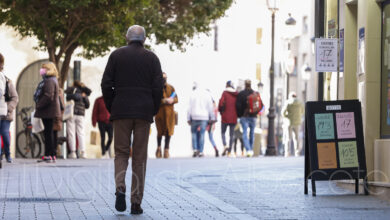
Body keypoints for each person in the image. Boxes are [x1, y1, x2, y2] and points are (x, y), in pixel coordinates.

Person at [101, 25, 163, 215]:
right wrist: (152, 108)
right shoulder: (151, 58)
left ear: (127, 37)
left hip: (121, 110)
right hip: (144, 111)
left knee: (121, 153)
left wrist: (113, 104)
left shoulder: (116, 55)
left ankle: (120, 187)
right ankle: (136, 202)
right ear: (143, 39)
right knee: (139, 157)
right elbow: (158, 87)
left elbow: (106, 83)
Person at [34, 62, 61, 163]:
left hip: (49, 110)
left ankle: (48, 155)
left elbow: (48, 96)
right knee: (51, 132)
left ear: (49, 69)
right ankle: (52, 154)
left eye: (44, 68)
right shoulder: (53, 80)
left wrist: (39, 105)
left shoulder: (49, 81)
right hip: (51, 110)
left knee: (48, 133)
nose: (42, 70)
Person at [187, 82, 216, 157]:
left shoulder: (192, 94)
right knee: (202, 134)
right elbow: (210, 107)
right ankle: (201, 151)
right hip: (204, 117)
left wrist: (188, 118)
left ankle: (195, 150)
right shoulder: (207, 94)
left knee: (193, 133)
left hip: (194, 116)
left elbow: (189, 107)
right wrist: (212, 117)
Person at [236, 79, 262, 157]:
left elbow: (238, 106)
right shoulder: (255, 94)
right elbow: (261, 105)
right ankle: (250, 149)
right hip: (254, 117)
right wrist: (256, 113)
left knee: (244, 133)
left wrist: (239, 115)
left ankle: (248, 150)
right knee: (252, 133)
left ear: (245, 85)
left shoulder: (241, 94)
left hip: (244, 116)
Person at [0, 53, 19, 164]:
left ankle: (7, 154)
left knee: (5, 133)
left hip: (6, 114)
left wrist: (9, 108)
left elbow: (15, 97)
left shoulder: (7, 82)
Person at [65, 81, 91, 159]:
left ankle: (73, 152)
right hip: (81, 115)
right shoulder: (83, 93)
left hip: (71, 114)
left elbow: (67, 98)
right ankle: (83, 152)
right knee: (81, 133)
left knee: (71, 133)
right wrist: (84, 97)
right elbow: (87, 105)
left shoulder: (71, 91)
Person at [155, 72, 178, 159]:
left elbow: (176, 98)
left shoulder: (171, 88)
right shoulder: (156, 88)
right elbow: (154, 100)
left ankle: (166, 150)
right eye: (162, 78)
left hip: (170, 114)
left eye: (165, 78)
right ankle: (159, 148)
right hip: (160, 114)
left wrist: (172, 100)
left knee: (169, 131)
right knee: (160, 132)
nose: (164, 80)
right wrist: (164, 101)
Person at [218, 80, 238, 156]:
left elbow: (221, 103)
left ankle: (225, 145)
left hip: (225, 116)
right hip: (233, 117)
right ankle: (229, 151)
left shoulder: (225, 93)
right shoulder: (236, 94)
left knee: (223, 132)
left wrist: (221, 111)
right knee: (232, 135)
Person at [283, 92, 304, 157]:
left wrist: (287, 116)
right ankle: (297, 152)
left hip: (289, 122)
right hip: (297, 122)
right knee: (296, 138)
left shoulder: (288, 102)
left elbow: (283, 112)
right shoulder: (300, 103)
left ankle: (287, 152)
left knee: (288, 138)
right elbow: (302, 111)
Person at [52, 88, 65, 160]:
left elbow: (61, 106)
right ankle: (54, 152)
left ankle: (53, 152)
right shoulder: (60, 92)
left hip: (55, 115)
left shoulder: (57, 92)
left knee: (53, 133)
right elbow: (62, 107)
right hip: (57, 115)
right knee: (54, 133)